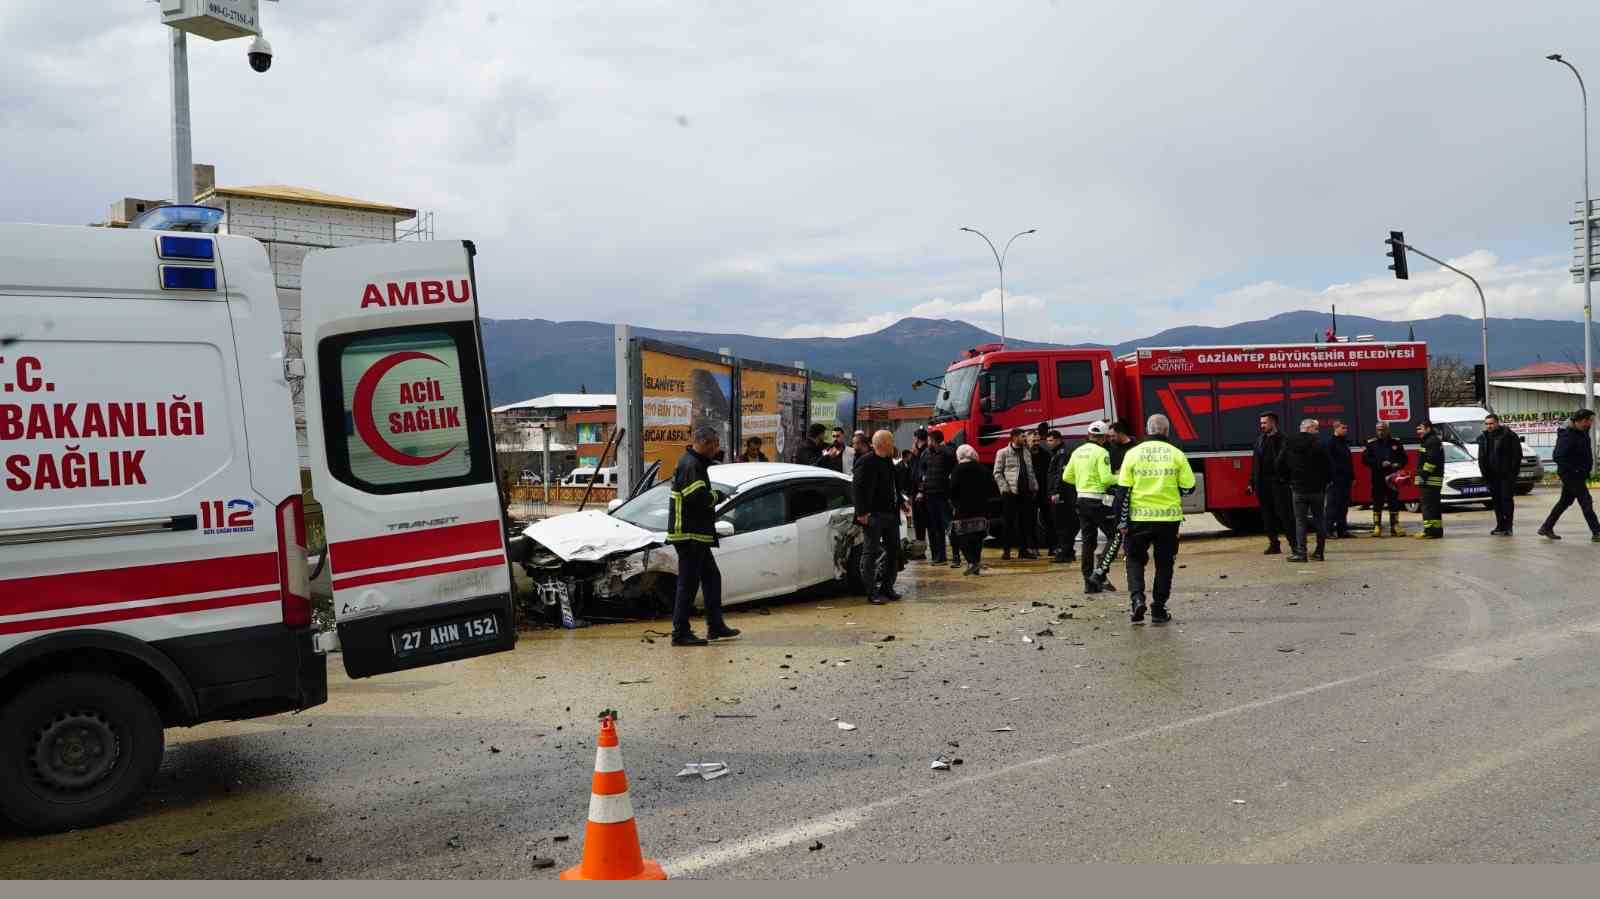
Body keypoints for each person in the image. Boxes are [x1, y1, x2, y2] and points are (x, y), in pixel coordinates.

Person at [1116, 413, 1196, 624]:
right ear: (1167, 431)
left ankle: (1137, 599)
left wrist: (1121, 521)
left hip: (1137, 519)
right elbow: (1189, 487)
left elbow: (1122, 492)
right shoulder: (1176, 454)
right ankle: (1159, 609)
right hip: (1168, 521)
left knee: (1134, 560)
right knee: (1164, 565)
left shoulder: (1132, 454)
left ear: (1147, 430)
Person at [667, 426, 739, 646]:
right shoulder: (691, 465)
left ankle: (715, 626)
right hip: (688, 534)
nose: (717, 449)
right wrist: (717, 495)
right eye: (715, 444)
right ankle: (680, 633)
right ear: (705, 443)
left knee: (711, 578)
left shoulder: (695, 463)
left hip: (696, 534)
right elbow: (697, 497)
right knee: (688, 584)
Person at [1064, 421, 1118, 593]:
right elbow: (1106, 479)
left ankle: (1089, 583)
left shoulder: (1077, 451)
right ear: (1103, 438)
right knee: (1115, 536)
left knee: (1088, 542)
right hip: (1098, 500)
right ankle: (1100, 572)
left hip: (1081, 499)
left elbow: (1066, 476)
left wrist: (1082, 483)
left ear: (1089, 435)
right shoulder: (1102, 452)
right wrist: (1121, 477)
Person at [854, 430, 904, 603]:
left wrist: (901, 502)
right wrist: (862, 513)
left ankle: (887, 587)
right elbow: (857, 488)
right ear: (883, 444)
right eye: (891, 442)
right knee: (870, 553)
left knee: (893, 551)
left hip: (891, 514)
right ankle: (871, 592)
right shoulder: (865, 461)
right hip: (873, 515)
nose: (893, 445)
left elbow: (894, 486)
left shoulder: (889, 461)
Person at [1538, 408, 1600, 542]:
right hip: (1572, 475)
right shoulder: (1567, 435)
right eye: (1589, 421)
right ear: (1580, 420)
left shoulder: (1582, 432)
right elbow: (1558, 456)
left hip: (1578, 474)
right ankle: (1597, 532)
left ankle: (1546, 527)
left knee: (1565, 502)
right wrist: (1575, 470)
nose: (1590, 423)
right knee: (1586, 501)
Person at [1277, 418, 1331, 562]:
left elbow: (1279, 463)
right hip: (1317, 490)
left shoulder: (1289, 442)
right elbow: (1328, 466)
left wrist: (1288, 480)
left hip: (1298, 489)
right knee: (1319, 520)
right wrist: (1325, 483)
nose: (1317, 432)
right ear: (1309, 428)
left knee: (1300, 522)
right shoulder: (1320, 444)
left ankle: (1301, 553)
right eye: (1316, 429)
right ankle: (1319, 552)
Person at [1248, 412, 1293, 554]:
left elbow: (1288, 462)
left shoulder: (1283, 439)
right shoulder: (1260, 440)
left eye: (1265, 423)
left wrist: (1286, 479)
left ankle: (1295, 545)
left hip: (1279, 484)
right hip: (1262, 484)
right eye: (1261, 423)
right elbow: (1255, 463)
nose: (1262, 426)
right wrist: (1252, 482)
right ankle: (1274, 544)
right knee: (1267, 516)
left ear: (1273, 423)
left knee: (1285, 515)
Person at [993, 427, 1039, 560]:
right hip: (1010, 493)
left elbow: (1030, 471)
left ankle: (1023, 550)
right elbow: (997, 472)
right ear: (1014, 438)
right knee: (1008, 522)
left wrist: (1034, 486)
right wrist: (1005, 488)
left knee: (1025, 522)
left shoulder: (1026, 452)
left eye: (1025, 436)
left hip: (1025, 492)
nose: (1025, 439)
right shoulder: (1003, 452)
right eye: (1022, 436)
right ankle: (1006, 551)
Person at [949, 444, 996, 575]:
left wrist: (954, 502)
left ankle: (971, 561)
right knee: (977, 536)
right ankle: (976, 563)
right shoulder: (982, 468)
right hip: (981, 507)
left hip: (963, 508)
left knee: (961, 535)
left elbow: (952, 489)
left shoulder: (958, 469)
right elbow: (991, 486)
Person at [1475, 414, 1522, 536]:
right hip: (1491, 475)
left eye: (1491, 423)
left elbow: (1517, 455)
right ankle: (1500, 525)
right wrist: (1484, 472)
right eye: (1487, 424)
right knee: (1496, 501)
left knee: (1506, 499)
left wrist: (1512, 473)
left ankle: (1508, 527)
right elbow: (1481, 457)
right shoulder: (1483, 437)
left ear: (1497, 423)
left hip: (1506, 475)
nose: (1489, 426)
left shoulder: (1509, 435)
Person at [1362, 422, 1409, 537]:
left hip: (1392, 478)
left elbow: (1404, 459)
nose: (1380, 432)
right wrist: (1380, 463)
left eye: (1382, 429)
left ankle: (1395, 526)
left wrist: (1398, 464)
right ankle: (1377, 526)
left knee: (1394, 502)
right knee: (1377, 502)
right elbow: (1365, 460)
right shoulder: (1371, 444)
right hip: (1378, 477)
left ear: (1387, 430)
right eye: (1378, 430)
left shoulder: (1396, 443)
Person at [920, 429, 958, 566]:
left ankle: (956, 556)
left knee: (949, 526)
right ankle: (940, 557)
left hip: (943, 495)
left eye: (929, 440)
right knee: (936, 528)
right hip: (930, 495)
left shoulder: (947, 453)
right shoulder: (926, 453)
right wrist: (921, 490)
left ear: (934, 441)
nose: (927, 443)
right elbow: (922, 472)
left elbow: (954, 470)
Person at [1045, 429, 1078, 564]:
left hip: (1061, 494)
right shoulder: (1057, 453)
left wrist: (1055, 492)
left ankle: (1064, 552)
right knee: (1065, 523)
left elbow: (1060, 475)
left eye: (1051, 440)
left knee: (1062, 524)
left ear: (1058, 440)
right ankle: (1068, 551)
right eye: (1047, 441)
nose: (1048, 443)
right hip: (1063, 493)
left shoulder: (1062, 454)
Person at [1413, 420, 1444, 539]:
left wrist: (1422, 476)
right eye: (1417, 429)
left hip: (1429, 480)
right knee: (1434, 506)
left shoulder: (1431, 441)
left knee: (1428, 506)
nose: (1418, 431)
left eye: (1420, 429)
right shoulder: (1431, 440)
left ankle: (1429, 531)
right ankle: (1436, 530)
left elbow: (1431, 461)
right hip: (1432, 479)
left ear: (1428, 429)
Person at [1029, 427, 1057, 556]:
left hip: (1044, 492)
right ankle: (1033, 547)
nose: (1036, 443)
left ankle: (1053, 547)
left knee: (1049, 519)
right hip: (1030, 492)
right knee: (1031, 521)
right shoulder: (1025, 455)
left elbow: (1051, 473)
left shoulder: (1046, 455)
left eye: (1038, 440)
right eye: (1033, 441)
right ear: (1027, 441)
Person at [1324, 420, 1354, 538]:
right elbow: (1329, 462)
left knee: (1344, 505)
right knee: (1333, 505)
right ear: (1335, 428)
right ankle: (1328, 530)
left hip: (1345, 479)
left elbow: (1348, 461)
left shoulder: (1344, 442)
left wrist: (1352, 477)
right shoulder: (1330, 442)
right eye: (1343, 428)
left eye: (1346, 428)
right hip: (1335, 480)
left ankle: (1342, 530)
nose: (1346, 430)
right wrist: (1330, 478)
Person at [908, 429, 929, 545]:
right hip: (919, 490)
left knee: (920, 521)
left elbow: (920, 474)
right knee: (920, 521)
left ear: (916, 438)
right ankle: (921, 546)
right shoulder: (917, 452)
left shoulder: (924, 452)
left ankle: (921, 546)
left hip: (921, 491)